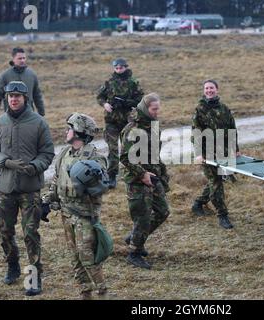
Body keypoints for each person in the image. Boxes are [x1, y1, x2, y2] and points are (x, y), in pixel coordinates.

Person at [0, 81, 54, 296]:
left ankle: (34, 278)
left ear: (25, 98)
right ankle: (12, 265)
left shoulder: (39, 123)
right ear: (6, 98)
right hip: (5, 189)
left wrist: (35, 166)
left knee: (31, 233)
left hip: (30, 189)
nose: (13, 99)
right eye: (10, 96)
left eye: (17, 96)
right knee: (4, 232)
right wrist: (4, 161)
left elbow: (48, 153)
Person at [42, 113, 111, 299]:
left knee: (87, 257)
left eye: (70, 128)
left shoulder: (95, 159)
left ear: (79, 132)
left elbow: (101, 187)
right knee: (75, 258)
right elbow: (56, 180)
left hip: (84, 216)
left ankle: (102, 292)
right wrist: (47, 201)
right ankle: (85, 292)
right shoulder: (65, 153)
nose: (66, 131)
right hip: (66, 214)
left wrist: (90, 178)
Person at [120, 93, 170, 270]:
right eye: (153, 109)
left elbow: (155, 154)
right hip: (137, 180)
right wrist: (142, 174)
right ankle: (134, 252)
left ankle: (135, 237)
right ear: (145, 108)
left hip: (154, 176)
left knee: (163, 211)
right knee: (142, 216)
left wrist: (163, 174)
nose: (157, 112)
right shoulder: (132, 128)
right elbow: (125, 157)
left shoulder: (154, 126)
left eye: (158, 109)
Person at [191, 80, 240, 229]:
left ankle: (198, 203)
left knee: (217, 180)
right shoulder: (199, 109)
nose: (209, 90)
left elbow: (232, 129)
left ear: (217, 90)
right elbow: (196, 133)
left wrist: (235, 148)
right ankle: (222, 215)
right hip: (208, 153)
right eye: (206, 88)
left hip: (223, 151)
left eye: (211, 88)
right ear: (203, 91)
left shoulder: (224, 108)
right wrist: (199, 154)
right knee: (216, 182)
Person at [96, 58, 144, 189]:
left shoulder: (133, 83)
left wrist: (127, 103)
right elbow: (99, 96)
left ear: (125, 67)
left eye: (121, 68)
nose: (118, 70)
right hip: (111, 121)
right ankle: (112, 176)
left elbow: (140, 99)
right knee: (112, 150)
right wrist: (105, 104)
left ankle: (134, 173)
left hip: (127, 121)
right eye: (116, 68)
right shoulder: (109, 83)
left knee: (129, 148)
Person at [0, 47, 46, 121]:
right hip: (10, 117)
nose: (22, 60)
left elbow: (37, 96)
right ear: (13, 59)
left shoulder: (32, 75)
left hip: (29, 116)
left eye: (24, 58)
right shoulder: (5, 76)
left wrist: (41, 114)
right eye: (19, 58)